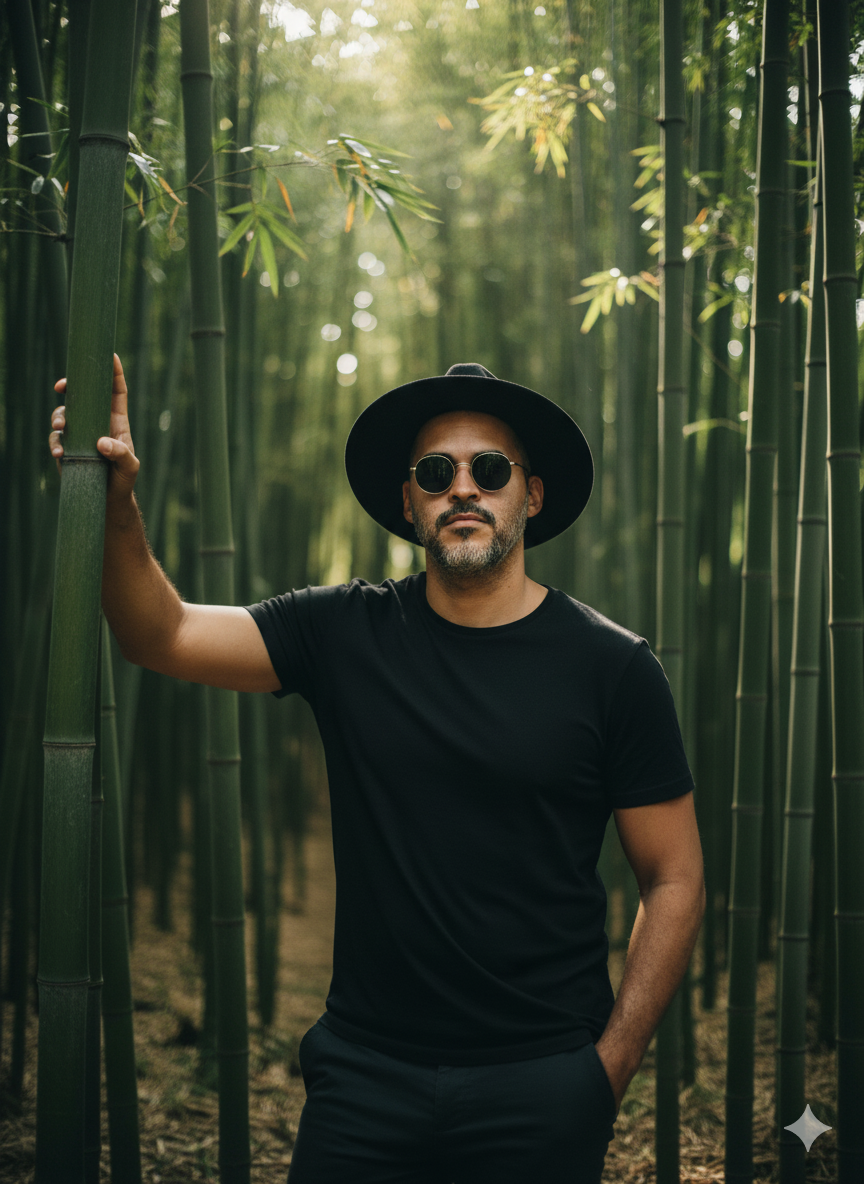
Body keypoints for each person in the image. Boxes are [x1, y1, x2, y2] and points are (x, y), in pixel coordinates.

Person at [49, 357, 705, 1184]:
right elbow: (162, 635)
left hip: (543, 1078)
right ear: (410, 502)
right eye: (437, 472)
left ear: (529, 495)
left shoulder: (614, 669)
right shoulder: (343, 633)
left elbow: (674, 877)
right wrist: (114, 501)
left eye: (490, 469)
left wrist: (605, 1071)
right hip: (364, 1079)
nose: (463, 487)